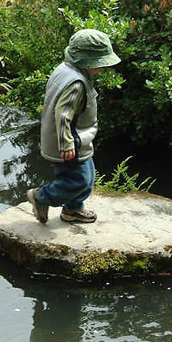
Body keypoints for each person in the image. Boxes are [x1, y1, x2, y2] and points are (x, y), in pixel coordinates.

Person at [26, 29, 121, 224]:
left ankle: (73, 209)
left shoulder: (66, 69)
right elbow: (63, 115)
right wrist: (67, 143)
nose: (102, 67)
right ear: (86, 61)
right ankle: (40, 197)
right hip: (69, 142)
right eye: (99, 63)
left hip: (78, 139)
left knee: (88, 176)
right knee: (77, 180)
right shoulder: (76, 83)